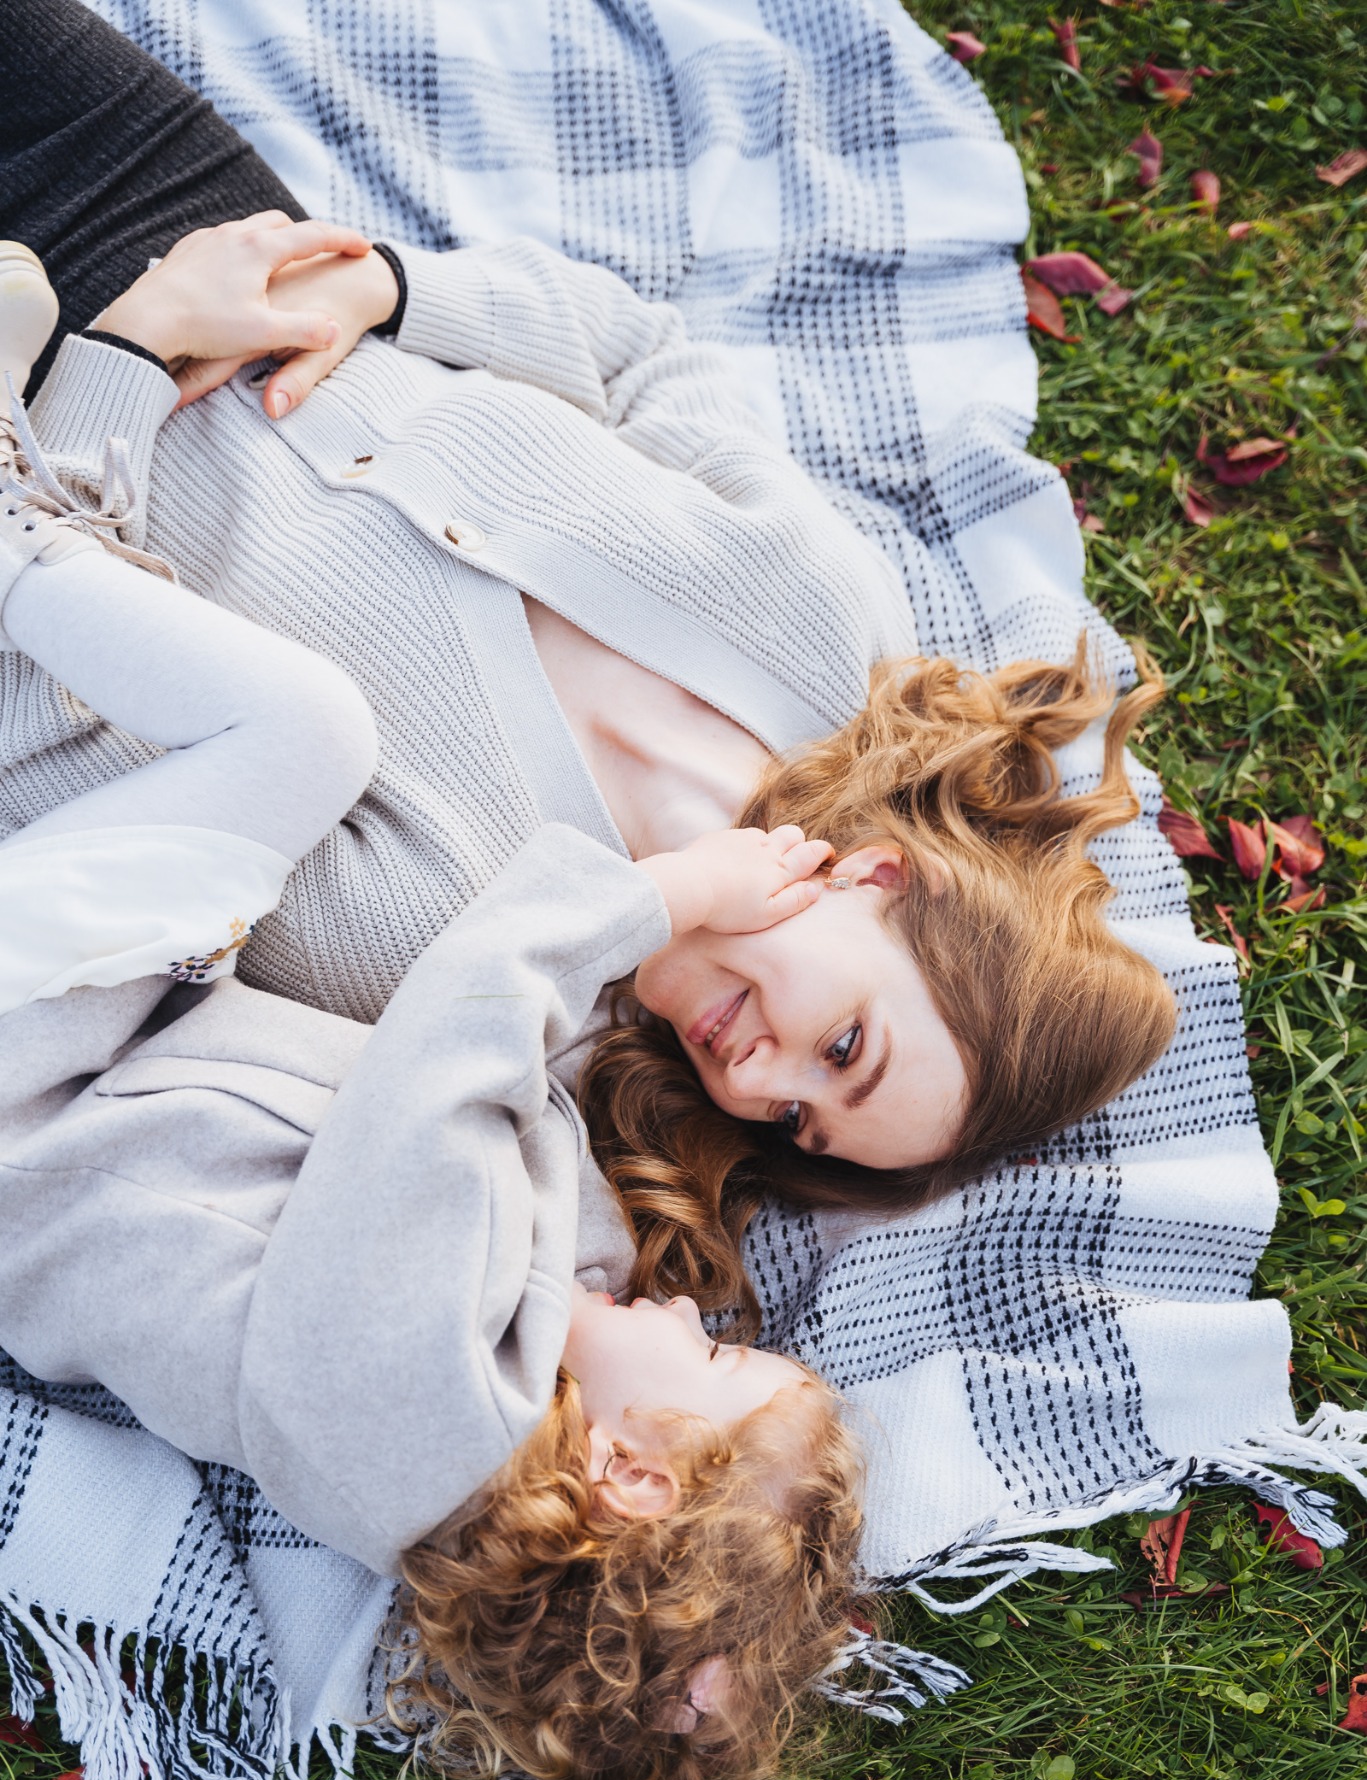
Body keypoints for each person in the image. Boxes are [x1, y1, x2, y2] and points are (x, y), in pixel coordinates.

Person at [3, 1, 1177, 1253]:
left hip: (32, 413)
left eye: (796, 1121)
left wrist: (131, 355)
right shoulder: (827, 628)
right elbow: (636, 360)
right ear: (891, 880)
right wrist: (390, 293)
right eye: (843, 1048)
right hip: (199, 220)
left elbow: (47, 718)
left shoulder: (449, 961)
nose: (759, 1085)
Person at [0, 283, 864, 1780]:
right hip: (119, 1032)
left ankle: (12, 524)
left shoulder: (406, 1428)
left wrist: (666, 895)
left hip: (26, 1062)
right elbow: (522, 1157)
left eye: (721, 1358)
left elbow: (446, 1052)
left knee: (304, 736)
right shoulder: (509, 1377)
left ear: (629, 1474)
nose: (698, 1313)